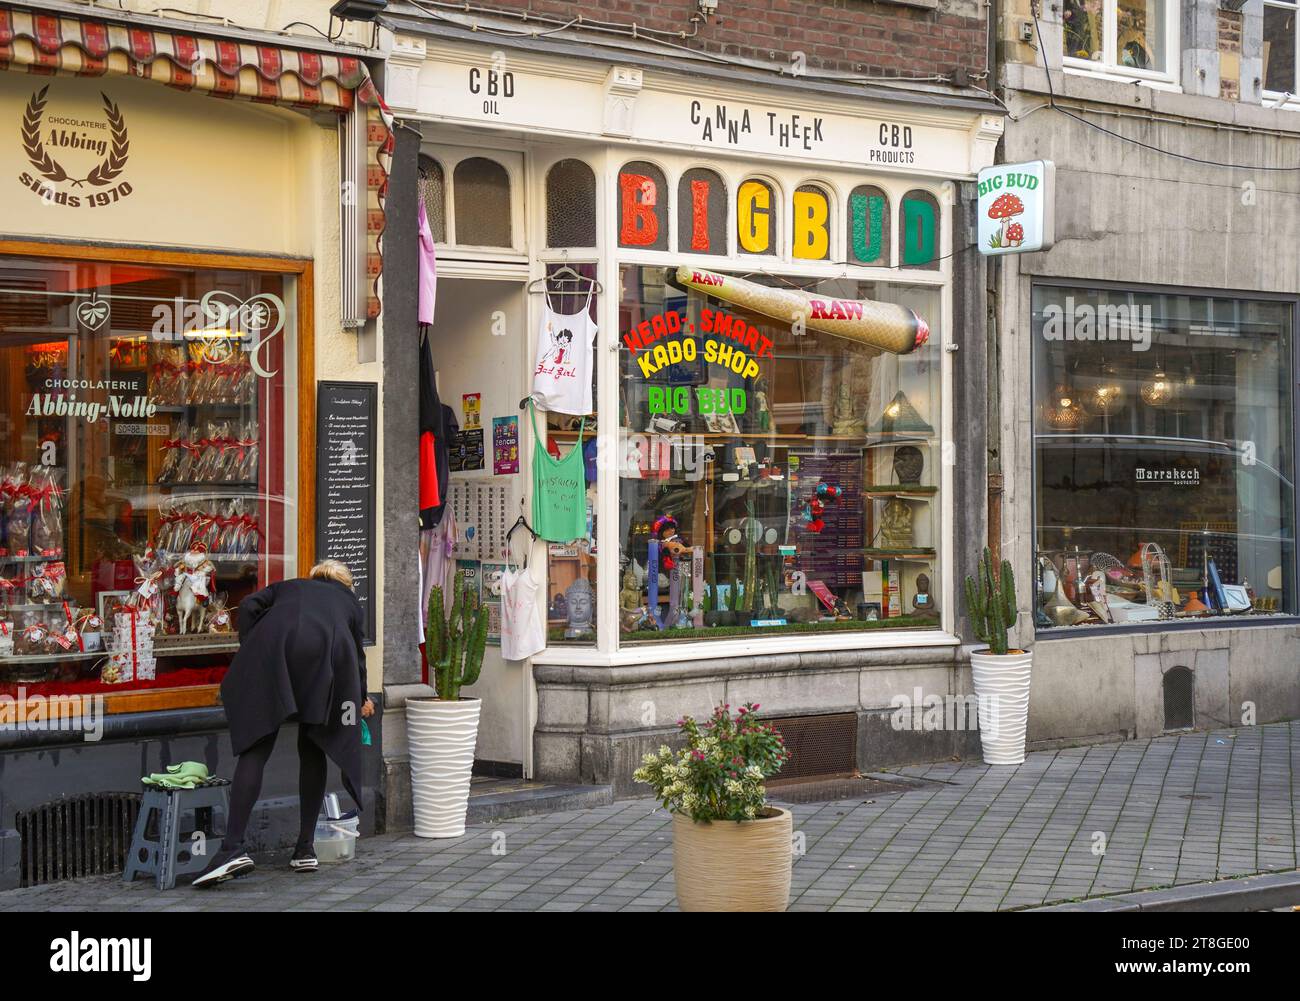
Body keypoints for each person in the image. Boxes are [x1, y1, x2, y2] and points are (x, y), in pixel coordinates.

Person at [193, 560, 374, 888]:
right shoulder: (348, 603)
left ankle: (232, 847)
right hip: (324, 667)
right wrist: (360, 698)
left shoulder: (290, 586)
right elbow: (356, 657)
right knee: (314, 743)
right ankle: (305, 848)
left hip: (276, 656)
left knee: (257, 747)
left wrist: (253, 645)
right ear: (346, 584)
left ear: (314, 576)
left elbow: (248, 605)